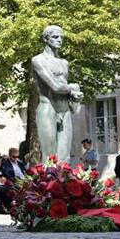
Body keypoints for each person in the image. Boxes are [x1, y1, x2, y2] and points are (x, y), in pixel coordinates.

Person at [31, 25, 83, 163]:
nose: (59, 40)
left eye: (61, 37)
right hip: (48, 108)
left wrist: (74, 94)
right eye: (55, 37)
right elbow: (55, 86)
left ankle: (67, 185)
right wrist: (72, 87)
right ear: (46, 39)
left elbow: (63, 88)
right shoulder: (38, 60)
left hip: (64, 109)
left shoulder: (64, 63)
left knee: (65, 158)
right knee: (50, 157)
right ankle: (48, 185)